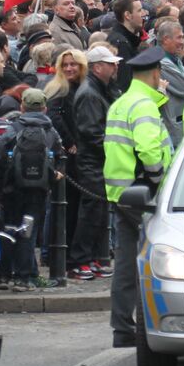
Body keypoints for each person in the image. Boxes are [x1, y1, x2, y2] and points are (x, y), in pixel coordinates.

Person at [103, 45, 173, 348]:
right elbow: (148, 151)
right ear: (156, 74)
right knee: (157, 261)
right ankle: (154, 323)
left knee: (125, 264)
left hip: (121, 191)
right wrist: (159, 180)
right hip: (143, 192)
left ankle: (122, 328)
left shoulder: (122, 102)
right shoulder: (143, 104)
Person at [0, 88, 62, 292]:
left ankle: (3, 276)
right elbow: (58, 156)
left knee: (7, 231)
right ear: (44, 108)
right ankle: (23, 278)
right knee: (28, 233)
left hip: (12, 189)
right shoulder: (50, 131)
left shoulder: (12, 129)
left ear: (22, 107)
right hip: (38, 191)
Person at [70, 45, 120, 281]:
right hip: (93, 160)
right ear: (98, 67)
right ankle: (81, 260)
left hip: (99, 159)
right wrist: (114, 150)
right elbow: (92, 132)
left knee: (98, 213)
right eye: (111, 64)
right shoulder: (90, 93)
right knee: (91, 213)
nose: (115, 67)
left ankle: (94, 258)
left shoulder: (100, 89)